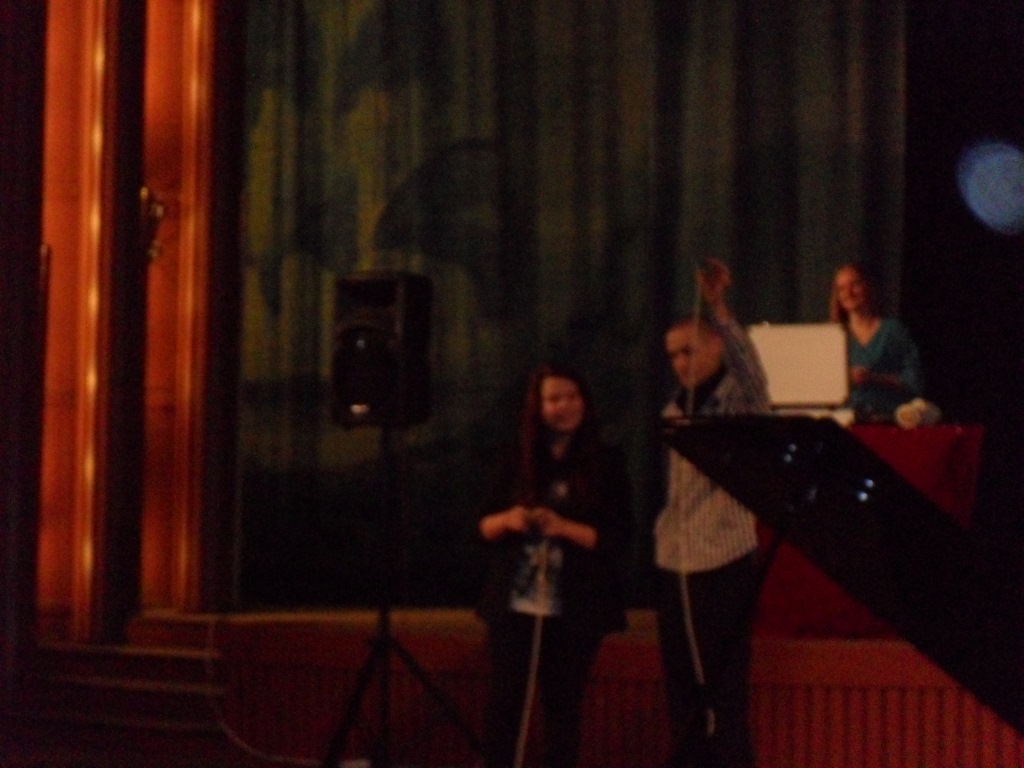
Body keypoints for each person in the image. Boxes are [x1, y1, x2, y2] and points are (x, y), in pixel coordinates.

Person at [476, 363, 632, 768]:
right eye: (554, 399)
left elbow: (618, 538)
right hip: (515, 605)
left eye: (572, 397)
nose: (564, 406)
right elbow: (482, 525)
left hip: (576, 608)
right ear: (538, 407)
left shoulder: (606, 461)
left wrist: (563, 527)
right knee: (505, 704)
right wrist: (510, 519)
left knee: (563, 709)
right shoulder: (514, 457)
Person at [654, 258, 769, 768]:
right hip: (675, 560)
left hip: (722, 557)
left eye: (689, 351)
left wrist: (718, 307)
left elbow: (751, 372)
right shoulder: (674, 410)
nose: (681, 363)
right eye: (673, 356)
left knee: (723, 693)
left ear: (715, 346)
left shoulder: (739, 403)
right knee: (682, 692)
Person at [830, 262, 924, 422]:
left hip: (887, 419)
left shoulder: (893, 331)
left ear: (869, 287)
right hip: (844, 420)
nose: (848, 293)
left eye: (855, 285)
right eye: (841, 288)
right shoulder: (833, 335)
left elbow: (914, 382)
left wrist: (874, 378)